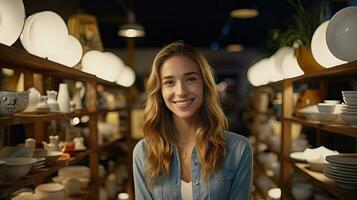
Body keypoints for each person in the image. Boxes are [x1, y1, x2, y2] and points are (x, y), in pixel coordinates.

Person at [133, 41, 252, 200]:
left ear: (205, 85)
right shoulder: (143, 152)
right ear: (160, 91)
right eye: (169, 82)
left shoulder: (239, 149)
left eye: (190, 79)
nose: (181, 91)